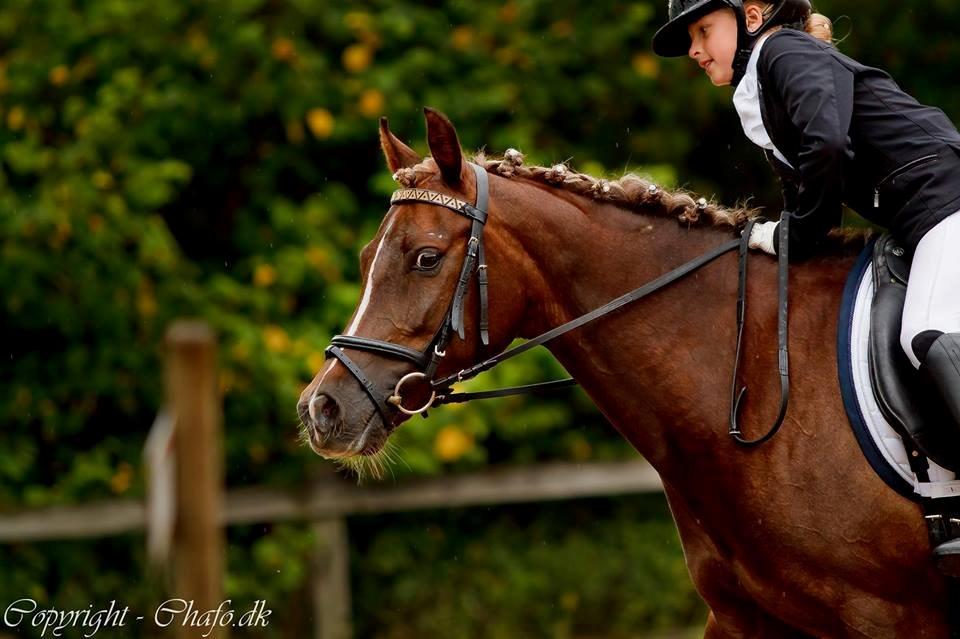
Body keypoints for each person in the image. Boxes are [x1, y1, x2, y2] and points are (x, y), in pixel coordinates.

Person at [651, 0, 960, 575]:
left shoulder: (784, 53)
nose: (694, 50)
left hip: (946, 198)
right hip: (916, 216)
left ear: (750, 17)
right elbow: (806, 185)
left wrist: (797, 230)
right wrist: (788, 232)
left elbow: (828, 147)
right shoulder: (763, 82)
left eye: (701, 31)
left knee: (926, 331)